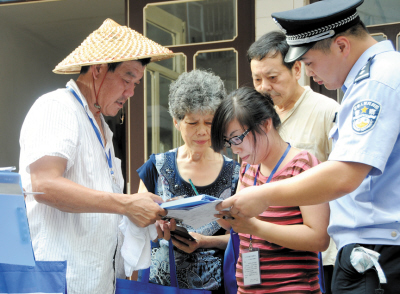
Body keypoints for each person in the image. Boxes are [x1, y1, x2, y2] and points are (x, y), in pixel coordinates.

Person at [217, 0, 400, 293]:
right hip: (370, 248)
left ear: (341, 46)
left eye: (311, 63)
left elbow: (344, 174)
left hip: (379, 249)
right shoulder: (370, 80)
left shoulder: (376, 82)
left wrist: (264, 195)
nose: (311, 74)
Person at [19, 19, 175, 294]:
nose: (130, 92)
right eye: (127, 79)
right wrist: (126, 204)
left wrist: (141, 214)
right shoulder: (57, 107)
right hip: (59, 280)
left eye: (137, 83)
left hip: (96, 279)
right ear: (98, 69)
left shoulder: (102, 126)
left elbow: (102, 205)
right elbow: (43, 185)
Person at [211, 87, 330, 293]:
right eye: (228, 142)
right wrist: (221, 215)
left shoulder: (303, 166)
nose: (235, 149)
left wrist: (255, 227)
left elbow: (319, 238)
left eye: (237, 138)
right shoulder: (248, 167)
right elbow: (239, 225)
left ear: (266, 124)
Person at [247, 30, 340, 293]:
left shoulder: (326, 112)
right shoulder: (258, 120)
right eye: (257, 79)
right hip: (267, 253)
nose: (264, 87)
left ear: (297, 68)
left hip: (318, 254)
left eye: (273, 77)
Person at [136, 69, 240, 293]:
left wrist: (204, 241)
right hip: (162, 285)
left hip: (217, 285)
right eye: (192, 123)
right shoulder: (156, 166)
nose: (202, 132)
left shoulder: (235, 173)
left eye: (209, 122)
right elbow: (138, 222)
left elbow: (242, 234)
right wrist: (157, 225)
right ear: (176, 121)